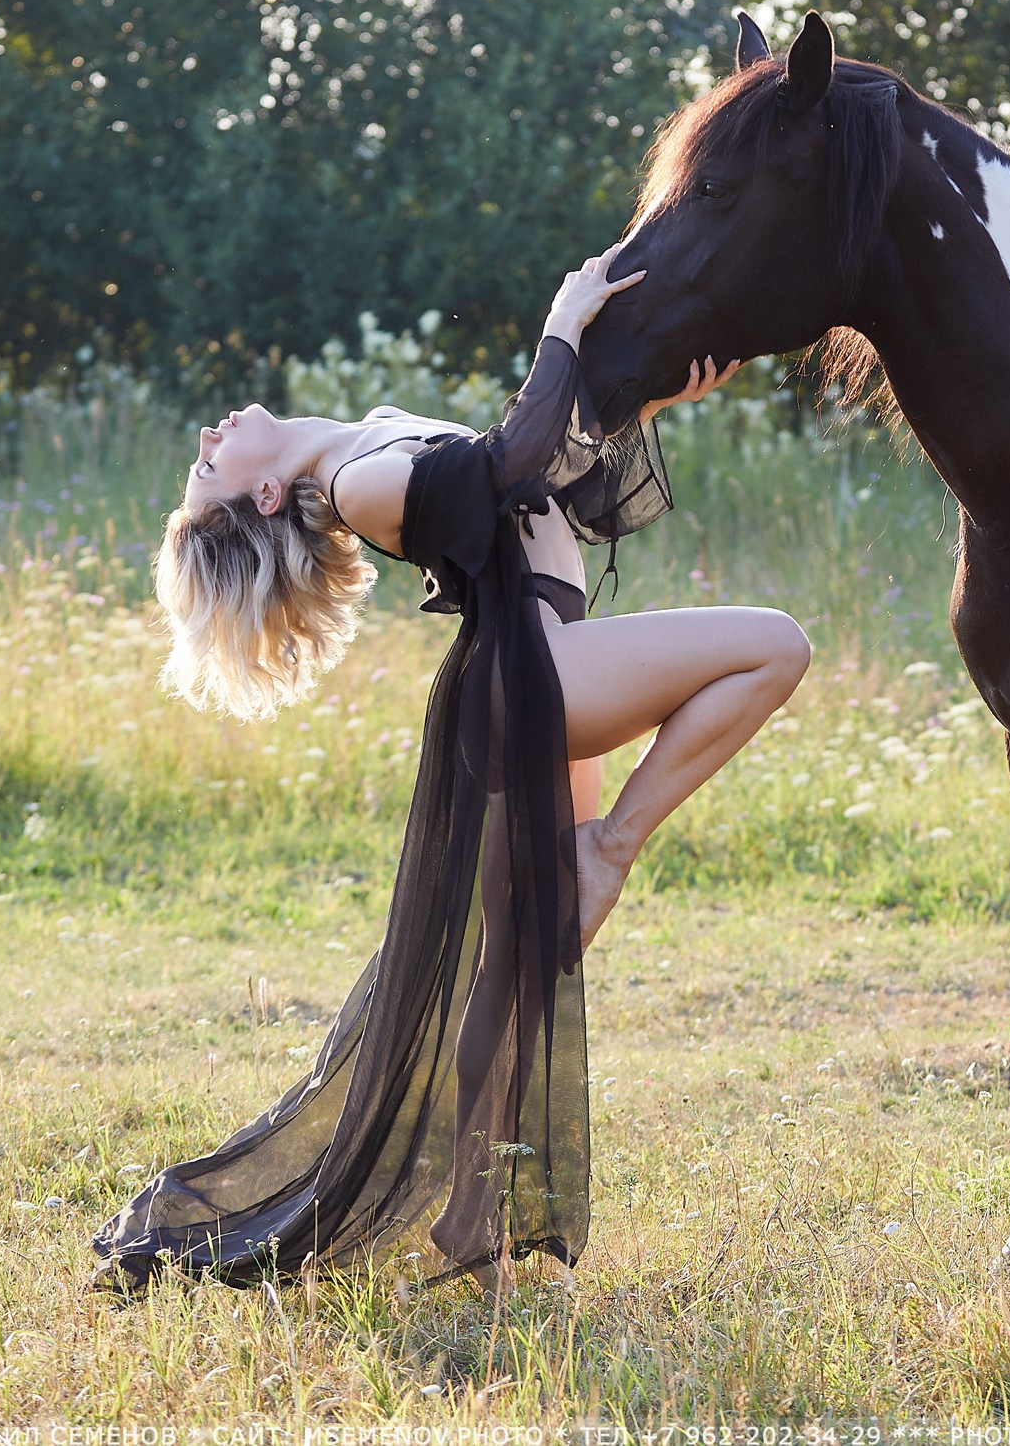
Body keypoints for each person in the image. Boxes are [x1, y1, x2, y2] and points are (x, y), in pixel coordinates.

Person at [90, 247, 809, 1296]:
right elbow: (517, 452)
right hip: (534, 673)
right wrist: (564, 319)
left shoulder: (366, 436)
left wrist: (649, 393)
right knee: (775, 645)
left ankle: (472, 1217)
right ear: (266, 491)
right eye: (208, 466)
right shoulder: (363, 480)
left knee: (515, 965)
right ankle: (612, 847)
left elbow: (541, 476)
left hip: (529, 676)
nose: (208, 437)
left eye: (200, 451)